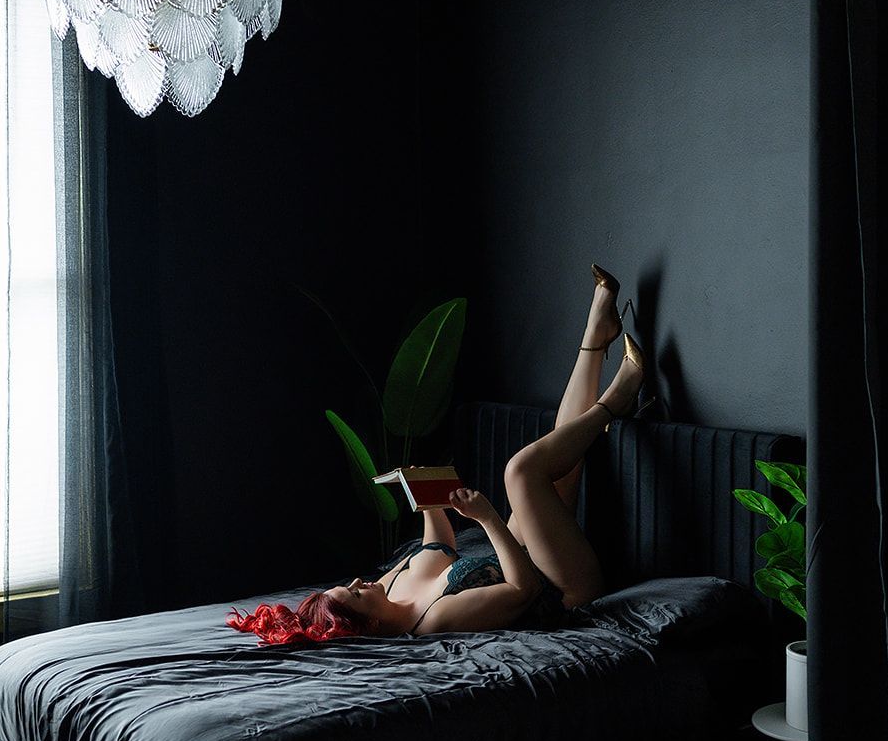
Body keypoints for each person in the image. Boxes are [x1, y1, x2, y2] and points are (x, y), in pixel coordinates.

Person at [229, 264, 645, 646]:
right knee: (521, 471)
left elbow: (439, 547)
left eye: (350, 583)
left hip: (527, 552)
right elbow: (525, 592)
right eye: (355, 593)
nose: (360, 580)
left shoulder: (392, 589)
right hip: (562, 587)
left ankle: (596, 334)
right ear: (369, 627)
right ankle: (615, 403)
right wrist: (485, 518)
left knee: (551, 454)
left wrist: (425, 496)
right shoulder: (434, 619)